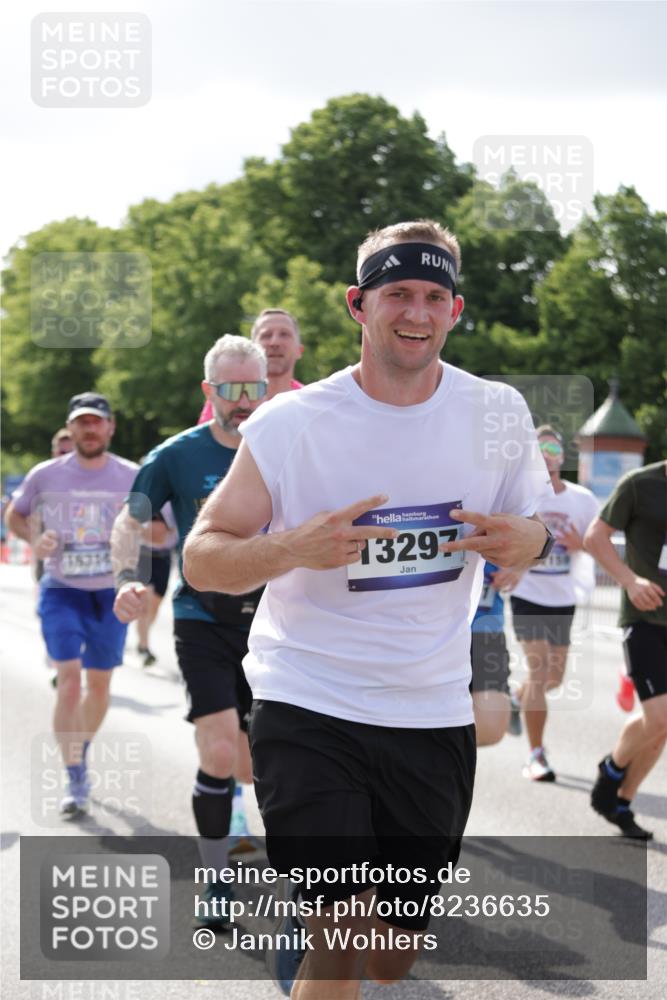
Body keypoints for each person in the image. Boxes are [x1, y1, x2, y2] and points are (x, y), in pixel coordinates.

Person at [183, 219, 554, 1000]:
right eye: (396, 294)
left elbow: (537, 535)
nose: (415, 312)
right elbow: (202, 556)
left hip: (429, 708)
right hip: (307, 699)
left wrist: (521, 538)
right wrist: (290, 549)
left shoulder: (497, 412)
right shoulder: (289, 422)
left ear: (454, 310)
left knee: (389, 955)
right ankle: (321, 902)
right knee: (343, 932)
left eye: (432, 295)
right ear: (359, 305)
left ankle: (323, 906)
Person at [112, 334, 269, 926]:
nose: (245, 400)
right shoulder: (175, 455)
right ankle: (217, 881)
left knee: (261, 766)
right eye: (232, 389)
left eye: (255, 387)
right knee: (220, 749)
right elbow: (130, 524)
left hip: (274, 628)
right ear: (211, 392)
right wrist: (128, 578)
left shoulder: (287, 448)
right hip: (202, 619)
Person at [4, 393, 138, 816]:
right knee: (70, 679)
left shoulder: (131, 475)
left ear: (110, 427)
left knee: (99, 686)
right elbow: (14, 514)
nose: (90, 429)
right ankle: (75, 772)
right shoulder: (46, 474)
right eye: (81, 422)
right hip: (62, 588)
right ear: (71, 427)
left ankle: (79, 745)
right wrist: (33, 539)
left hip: (110, 591)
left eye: (97, 422)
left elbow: (152, 525)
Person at [509, 425, 599, 782]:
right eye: (539, 447)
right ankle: (536, 754)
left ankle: (518, 697)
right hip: (527, 594)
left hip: (563, 598)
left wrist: (583, 544)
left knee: (554, 679)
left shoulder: (581, 499)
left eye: (552, 447)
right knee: (539, 671)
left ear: (562, 456)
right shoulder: (522, 497)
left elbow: (601, 542)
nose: (546, 453)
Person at [585, 459, 667, 840]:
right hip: (645, 619)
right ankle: (612, 770)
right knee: (660, 718)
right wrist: (630, 581)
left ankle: (621, 803)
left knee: (662, 727)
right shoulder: (639, 484)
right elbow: (594, 537)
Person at [197, 309, 303, 423]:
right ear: (253, 348)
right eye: (266, 335)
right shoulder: (223, 399)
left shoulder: (310, 401)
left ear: (299, 350)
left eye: (284, 334)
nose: (274, 342)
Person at [471, 562, 522, 745]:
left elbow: (538, 538)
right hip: (428, 632)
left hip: (484, 629)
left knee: (491, 729)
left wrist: (520, 566)